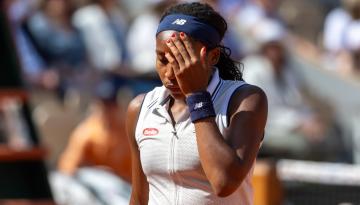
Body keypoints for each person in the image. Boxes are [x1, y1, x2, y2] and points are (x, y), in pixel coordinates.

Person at [126, 2, 267, 204]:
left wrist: (197, 96)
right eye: (163, 60)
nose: (170, 73)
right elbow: (139, 198)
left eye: (183, 60)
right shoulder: (140, 109)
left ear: (213, 57)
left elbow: (224, 182)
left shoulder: (245, 99)